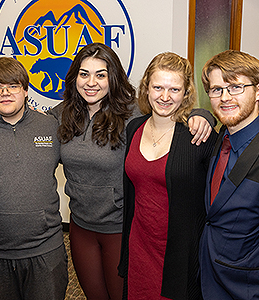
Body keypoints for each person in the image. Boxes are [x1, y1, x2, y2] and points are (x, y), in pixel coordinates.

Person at [48, 43, 215, 300]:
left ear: (112, 77)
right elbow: (23, 120)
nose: (91, 82)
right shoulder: (60, 115)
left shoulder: (131, 114)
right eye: (84, 74)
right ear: (74, 77)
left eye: (101, 74)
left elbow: (169, 109)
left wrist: (204, 115)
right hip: (80, 225)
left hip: (119, 226)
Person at [0, 57, 68, 300]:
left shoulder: (49, 126)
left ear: (26, 90)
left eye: (13, 86)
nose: (5, 93)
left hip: (46, 247)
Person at [118, 52, 218, 300]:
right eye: (158, 87)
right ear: (146, 88)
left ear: (186, 93)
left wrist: (206, 115)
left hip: (179, 254)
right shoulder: (134, 128)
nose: (165, 97)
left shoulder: (198, 136)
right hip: (139, 245)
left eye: (174, 89)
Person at [199, 50, 259, 299]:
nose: (225, 97)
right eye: (216, 89)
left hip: (249, 288)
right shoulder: (220, 137)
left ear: (258, 91)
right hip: (209, 278)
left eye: (235, 87)